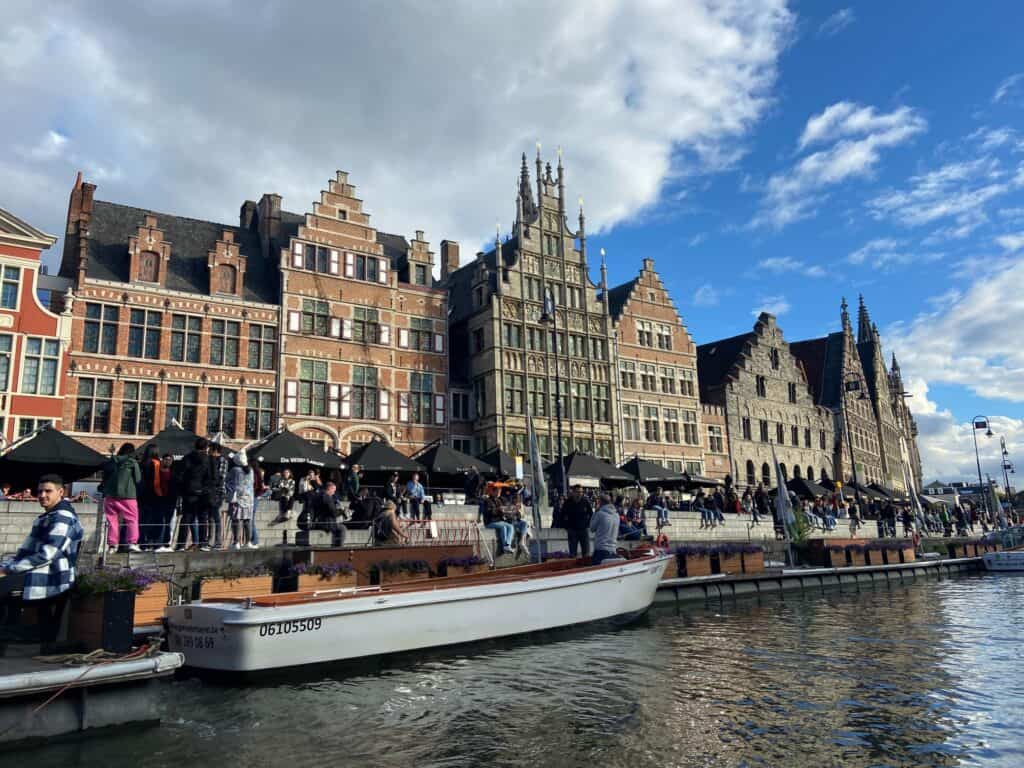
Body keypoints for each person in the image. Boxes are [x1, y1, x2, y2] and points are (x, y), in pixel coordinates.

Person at [0, 474, 85, 648]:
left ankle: (8, 635)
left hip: (52, 577)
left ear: (61, 492)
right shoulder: (47, 517)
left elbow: (47, 555)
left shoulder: (63, 517)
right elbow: (24, 552)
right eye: (39, 491)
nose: (42, 495)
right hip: (40, 571)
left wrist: (8, 570)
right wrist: (6, 566)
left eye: (48, 491)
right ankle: (7, 633)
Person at [100, 442, 142, 554]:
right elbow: (138, 479)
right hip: (128, 496)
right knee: (132, 519)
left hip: (111, 496)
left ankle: (112, 546)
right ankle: (132, 543)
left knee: (112, 521)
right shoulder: (132, 462)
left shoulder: (111, 461)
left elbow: (104, 476)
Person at [176, 437, 214, 551]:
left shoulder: (187, 458)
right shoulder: (209, 460)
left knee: (186, 518)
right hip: (203, 493)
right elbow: (212, 478)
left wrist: (183, 489)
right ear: (206, 448)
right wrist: (205, 489)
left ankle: (181, 544)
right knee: (203, 518)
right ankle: (202, 543)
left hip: (189, 492)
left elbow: (180, 475)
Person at [225, 451, 256, 549]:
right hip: (249, 499)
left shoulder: (235, 470)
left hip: (237, 499)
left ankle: (236, 542)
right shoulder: (251, 470)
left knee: (236, 521)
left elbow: (227, 481)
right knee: (247, 521)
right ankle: (248, 542)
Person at [137, 444, 164, 550]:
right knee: (154, 519)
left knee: (143, 519)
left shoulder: (141, 463)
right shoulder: (156, 463)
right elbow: (156, 481)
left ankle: (142, 541)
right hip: (153, 495)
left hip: (142, 495)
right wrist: (160, 495)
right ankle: (152, 541)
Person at [310, 480, 348, 546]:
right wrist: (342, 511)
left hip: (316, 522)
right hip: (325, 523)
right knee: (342, 528)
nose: (334, 492)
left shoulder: (318, 495)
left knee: (337, 526)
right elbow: (334, 513)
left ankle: (334, 544)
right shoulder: (327, 498)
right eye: (333, 490)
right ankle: (339, 547)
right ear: (329, 489)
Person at [561, 484, 593, 557]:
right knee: (572, 553)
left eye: (581, 492)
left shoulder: (585, 501)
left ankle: (586, 567)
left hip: (583, 530)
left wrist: (587, 524)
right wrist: (566, 527)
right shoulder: (568, 502)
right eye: (578, 492)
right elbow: (562, 515)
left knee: (586, 553)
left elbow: (591, 514)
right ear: (573, 492)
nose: (580, 494)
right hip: (572, 530)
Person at [480, 489, 514, 555]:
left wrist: (505, 511)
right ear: (492, 492)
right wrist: (497, 510)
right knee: (503, 527)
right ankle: (505, 546)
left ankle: (507, 545)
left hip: (498, 521)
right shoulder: (487, 501)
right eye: (497, 491)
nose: (499, 493)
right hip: (489, 522)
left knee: (510, 526)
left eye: (500, 492)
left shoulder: (498, 500)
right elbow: (487, 512)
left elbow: (502, 511)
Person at [589, 492, 620, 566]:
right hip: (613, 550)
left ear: (600, 502)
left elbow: (592, 528)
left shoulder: (600, 514)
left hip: (601, 551)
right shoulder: (617, 515)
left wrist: (595, 513)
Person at [208, 442, 229, 550]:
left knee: (216, 517)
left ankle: (218, 541)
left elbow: (221, 477)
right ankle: (209, 540)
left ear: (215, 451)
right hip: (210, 492)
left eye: (210, 450)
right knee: (210, 517)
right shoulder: (209, 460)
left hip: (218, 492)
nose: (208, 452)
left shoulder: (222, 461)